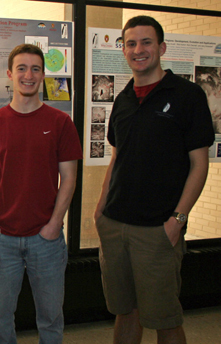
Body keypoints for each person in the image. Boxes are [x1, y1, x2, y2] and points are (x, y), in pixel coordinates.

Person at [94, 15, 215, 344]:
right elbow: (117, 157)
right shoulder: (123, 99)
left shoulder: (187, 96)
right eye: (131, 43)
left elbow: (199, 164)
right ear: (124, 50)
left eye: (146, 42)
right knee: (125, 311)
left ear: (161, 47)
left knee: (164, 319)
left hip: (158, 229)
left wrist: (178, 220)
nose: (138, 50)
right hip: (115, 225)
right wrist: (100, 210)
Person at [0, 44, 83, 344]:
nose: (28, 75)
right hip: (2, 239)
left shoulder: (60, 123)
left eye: (35, 69)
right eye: (21, 68)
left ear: (43, 75)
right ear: (10, 74)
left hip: (46, 240)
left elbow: (69, 179)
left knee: (50, 319)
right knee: (1, 319)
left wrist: (53, 225)